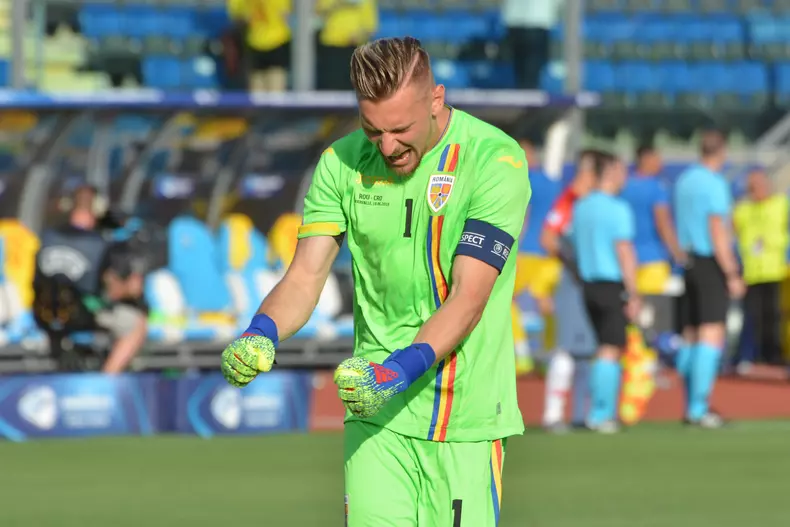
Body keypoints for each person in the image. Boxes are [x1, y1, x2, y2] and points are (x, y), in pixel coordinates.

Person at [220, 37, 531, 527]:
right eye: (373, 130)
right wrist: (261, 330)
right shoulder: (340, 163)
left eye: (401, 129)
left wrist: (399, 372)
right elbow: (305, 276)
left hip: (463, 419)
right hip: (374, 415)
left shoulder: (494, 161)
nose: (387, 146)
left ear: (436, 99)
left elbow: (469, 297)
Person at [33, 185, 148, 374]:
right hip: (81, 315)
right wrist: (130, 289)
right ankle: (107, 378)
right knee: (136, 324)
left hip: (43, 316)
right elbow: (110, 291)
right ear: (97, 208)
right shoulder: (99, 244)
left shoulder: (47, 237)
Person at [674, 130, 744, 428]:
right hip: (709, 262)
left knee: (690, 334)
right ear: (722, 151)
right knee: (711, 333)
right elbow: (717, 229)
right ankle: (699, 408)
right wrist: (731, 271)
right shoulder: (714, 183)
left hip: (688, 263)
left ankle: (690, 403)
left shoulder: (684, 180)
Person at [571, 152, 639, 433]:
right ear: (609, 173)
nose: (625, 177)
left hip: (587, 285)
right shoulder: (617, 209)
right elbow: (624, 251)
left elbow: (571, 246)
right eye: (621, 171)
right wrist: (634, 292)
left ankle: (596, 411)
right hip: (610, 284)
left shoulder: (581, 207)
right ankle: (602, 413)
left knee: (602, 347)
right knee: (611, 348)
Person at [538, 149, 597, 432]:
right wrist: (570, 260)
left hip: (594, 283)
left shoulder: (596, 203)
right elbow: (547, 237)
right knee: (566, 348)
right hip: (571, 284)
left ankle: (580, 414)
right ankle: (553, 414)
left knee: (587, 351)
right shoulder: (569, 202)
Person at [511, 138, 561, 375]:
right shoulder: (553, 183)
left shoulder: (522, 181)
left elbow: (524, 217)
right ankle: (549, 355)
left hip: (527, 252)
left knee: (507, 302)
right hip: (550, 254)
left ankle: (522, 355)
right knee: (546, 304)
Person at [733, 167, 789, 367]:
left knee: (774, 316)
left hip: (775, 270)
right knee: (752, 316)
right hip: (750, 271)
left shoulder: (781, 204)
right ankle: (751, 355)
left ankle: (773, 355)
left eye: (760, 184)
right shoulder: (742, 209)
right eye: (753, 186)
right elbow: (732, 232)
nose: (757, 189)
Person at [620, 144, 685, 295]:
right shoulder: (657, 187)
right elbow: (663, 223)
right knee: (653, 312)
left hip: (627, 260)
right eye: (657, 158)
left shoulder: (623, 187)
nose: (660, 163)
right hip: (653, 260)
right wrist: (678, 254)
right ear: (646, 159)